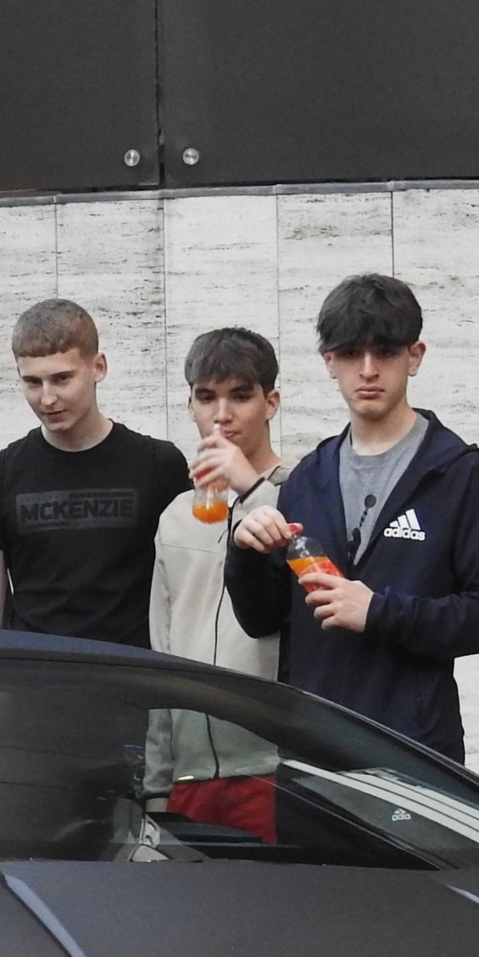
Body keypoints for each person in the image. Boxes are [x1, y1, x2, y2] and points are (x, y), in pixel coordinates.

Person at [226, 273, 479, 762]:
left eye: (384, 352)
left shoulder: (455, 471)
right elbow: (262, 620)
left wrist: (380, 612)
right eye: (350, 354)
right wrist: (245, 555)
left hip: (416, 754)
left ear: (414, 356)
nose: (367, 370)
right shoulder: (308, 478)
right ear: (329, 362)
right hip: (313, 753)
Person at [0, 299, 191, 645]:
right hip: (36, 682)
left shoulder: (159, 464)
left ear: (98, 367)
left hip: (138, 680)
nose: (47, 399)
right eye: (32, 382)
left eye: (62, 379)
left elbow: (185, 589)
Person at [147, 327, 294, 837]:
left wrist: (251, 490)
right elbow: (161, 651)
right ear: (189, 405)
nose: (222, 414)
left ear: (270, 402)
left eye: (240, 396)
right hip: (189, 775)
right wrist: (157, 782)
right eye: (207, 398)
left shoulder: (301, 494)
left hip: (276, 767)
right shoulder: (174, 517)